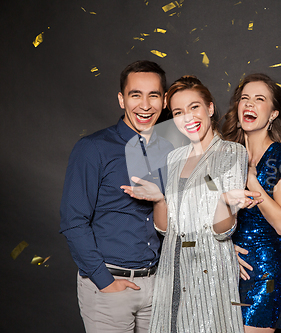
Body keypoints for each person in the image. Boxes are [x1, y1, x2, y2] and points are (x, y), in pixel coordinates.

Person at [122, 75, 261, 333]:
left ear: (209, 108)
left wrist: (222, 201)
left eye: (194, 107)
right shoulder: (174, 157)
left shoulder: (232, 153)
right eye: (178, 112)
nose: (188, 117)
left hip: (209, 271)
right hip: (171, 270)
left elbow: (223, 230)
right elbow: (165, 229)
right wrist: (160, 199)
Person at [59, 60, 174, 333]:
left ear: (165, 100)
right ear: (122, 100)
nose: (145, 105)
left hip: (157, 285)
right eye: (136, 95)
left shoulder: (170, 150)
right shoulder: (93, 148)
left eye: (153, 95)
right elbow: (73, 221)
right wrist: (104, 282)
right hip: (109, 285)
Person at [222, 73, 281, 332]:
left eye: (259, 99)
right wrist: (223, 250)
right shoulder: (223, 153)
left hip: (264, 276)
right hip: (225, 270)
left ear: (272, 114)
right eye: (244, 98)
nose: (249, 104)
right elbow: (205, 212)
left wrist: (252, 179)